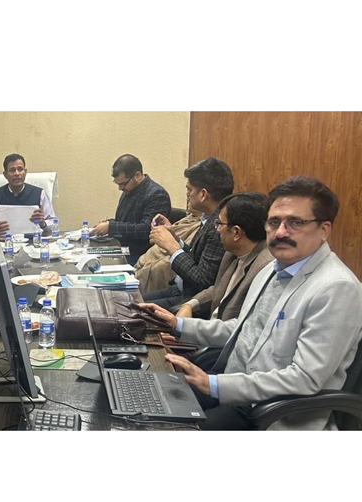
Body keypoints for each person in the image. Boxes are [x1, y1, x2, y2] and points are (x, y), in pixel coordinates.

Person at [142, 177, 362, 430]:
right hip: (234, 389)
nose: (281, 232)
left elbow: (305, 378)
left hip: (269, 414)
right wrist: (178, 325)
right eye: (274, 222)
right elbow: (241, 328)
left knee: (162, 429)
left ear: (324, 230)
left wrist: (214, 385)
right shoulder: (273, 269)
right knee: (148, 396)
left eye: (296, 223)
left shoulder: (336, 288)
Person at [143, 157, 234, 310]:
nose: (187, 194)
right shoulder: (208, 218)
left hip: (190, 301)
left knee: (128, 309)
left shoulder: (220, 226)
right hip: (178, 288)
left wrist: (172, 247)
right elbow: (195, 258)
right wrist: (174, 238)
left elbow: (202, 281)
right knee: (128, 299)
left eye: (189, 189)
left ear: (203, 194)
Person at [178, 192, 273, 321]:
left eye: (219, 224)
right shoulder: (232, 254)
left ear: (236, 232)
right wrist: (190, 304)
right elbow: (218, 289)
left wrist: (184, 326)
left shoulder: (264, 269)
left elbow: (238, 326)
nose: (217, 229)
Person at [90, 154, 171, 265]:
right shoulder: (130, 189)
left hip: (142, 255)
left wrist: (111, 227)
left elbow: (146, 230)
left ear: (137, 175)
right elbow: (125, 221)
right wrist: (108, 223)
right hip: (123, 248)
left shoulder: (157, 194)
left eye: (123, 184)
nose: (120, 188)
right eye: (118, 184)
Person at [0, 153, 57, 235]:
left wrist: (43, 223)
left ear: (25, 172)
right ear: (5, 175)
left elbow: (53, 222)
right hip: (5, 241)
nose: (17, 173)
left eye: (20, 169)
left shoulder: (40, 194)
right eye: (12, 170)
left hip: (34, 240)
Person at [135, 211, 203, 294]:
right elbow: (190, 252)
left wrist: (171, 247)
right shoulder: (193, 219)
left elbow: (200, 279)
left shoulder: (211, 226)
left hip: (186, 291)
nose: (188, 202)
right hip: (176, 285)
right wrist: (173, 236)